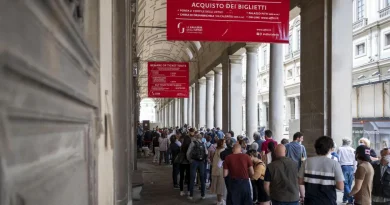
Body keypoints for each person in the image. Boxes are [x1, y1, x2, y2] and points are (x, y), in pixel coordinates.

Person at [298, 136, 344, 205]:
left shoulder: (306, 162)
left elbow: (300, 181)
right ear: (330, 148)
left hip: (310, 201)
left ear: (316, 148)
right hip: (328, 201)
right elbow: (340, 187)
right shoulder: (334, 164)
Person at [186, 133, 208, 200]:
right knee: (202, 178)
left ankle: (191, 195)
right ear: (201, 138)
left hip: (194, 162)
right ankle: (203, 195)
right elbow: (206, 153)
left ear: (196, 137)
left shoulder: (193, 143)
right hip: (201, 162)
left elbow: (188, 152)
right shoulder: (203, 143)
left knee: (192, 178)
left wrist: (190, 160)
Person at [337, 138, 356, 204]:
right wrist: (355, 170)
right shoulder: (353, 150)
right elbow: (355, 161)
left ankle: (350, 199)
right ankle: (345, 199)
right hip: (351, 167)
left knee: (345, 184)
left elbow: (338, 159)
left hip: (343, 167)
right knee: (349, 185)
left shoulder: (340, 149)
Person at [210, 139, 226, 205]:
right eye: (224, 142)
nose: (225, 143)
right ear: (222, 144)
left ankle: (219, 200)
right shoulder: (222, 150)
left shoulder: (216, 150)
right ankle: (219, 201)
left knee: (218, 186)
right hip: (220, 171)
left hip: (215, 170)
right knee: (221, 186)